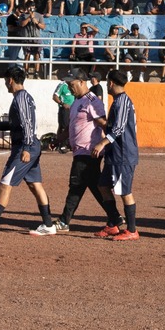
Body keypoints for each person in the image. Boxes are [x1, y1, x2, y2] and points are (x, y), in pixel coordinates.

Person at [0, 67, 55, 237]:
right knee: (35, 185)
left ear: (10, 80)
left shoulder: (20, 98)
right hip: (30, 145)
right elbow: (18, 124)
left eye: (5, 81)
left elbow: (28, 124)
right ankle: (48, 224)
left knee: (5, 184)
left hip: (25, 146)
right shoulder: (24, 97)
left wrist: (26, 148)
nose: (5, 85)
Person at [55, 73, 122, 235]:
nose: (70, 89)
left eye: (72, 85)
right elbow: (72, 126)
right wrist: (59, 139)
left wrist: (109, 143)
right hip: (80, 151)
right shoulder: (77, 101)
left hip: (89, 152)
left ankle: (64, 221)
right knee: (96, 186)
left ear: (82, 82)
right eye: (69, 86)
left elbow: (103, 124)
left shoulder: (93, 101)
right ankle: (115, 217)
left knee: (76, 186)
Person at [97, 67, 142, 241]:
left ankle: (132, 230)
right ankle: (113, 224)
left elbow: (119, 128)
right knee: (103, 185)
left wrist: (102, 142)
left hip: (123, 155)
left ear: (111, 83)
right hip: (114, 154)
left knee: (125, 192)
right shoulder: (118, 101)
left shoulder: (122, 101)